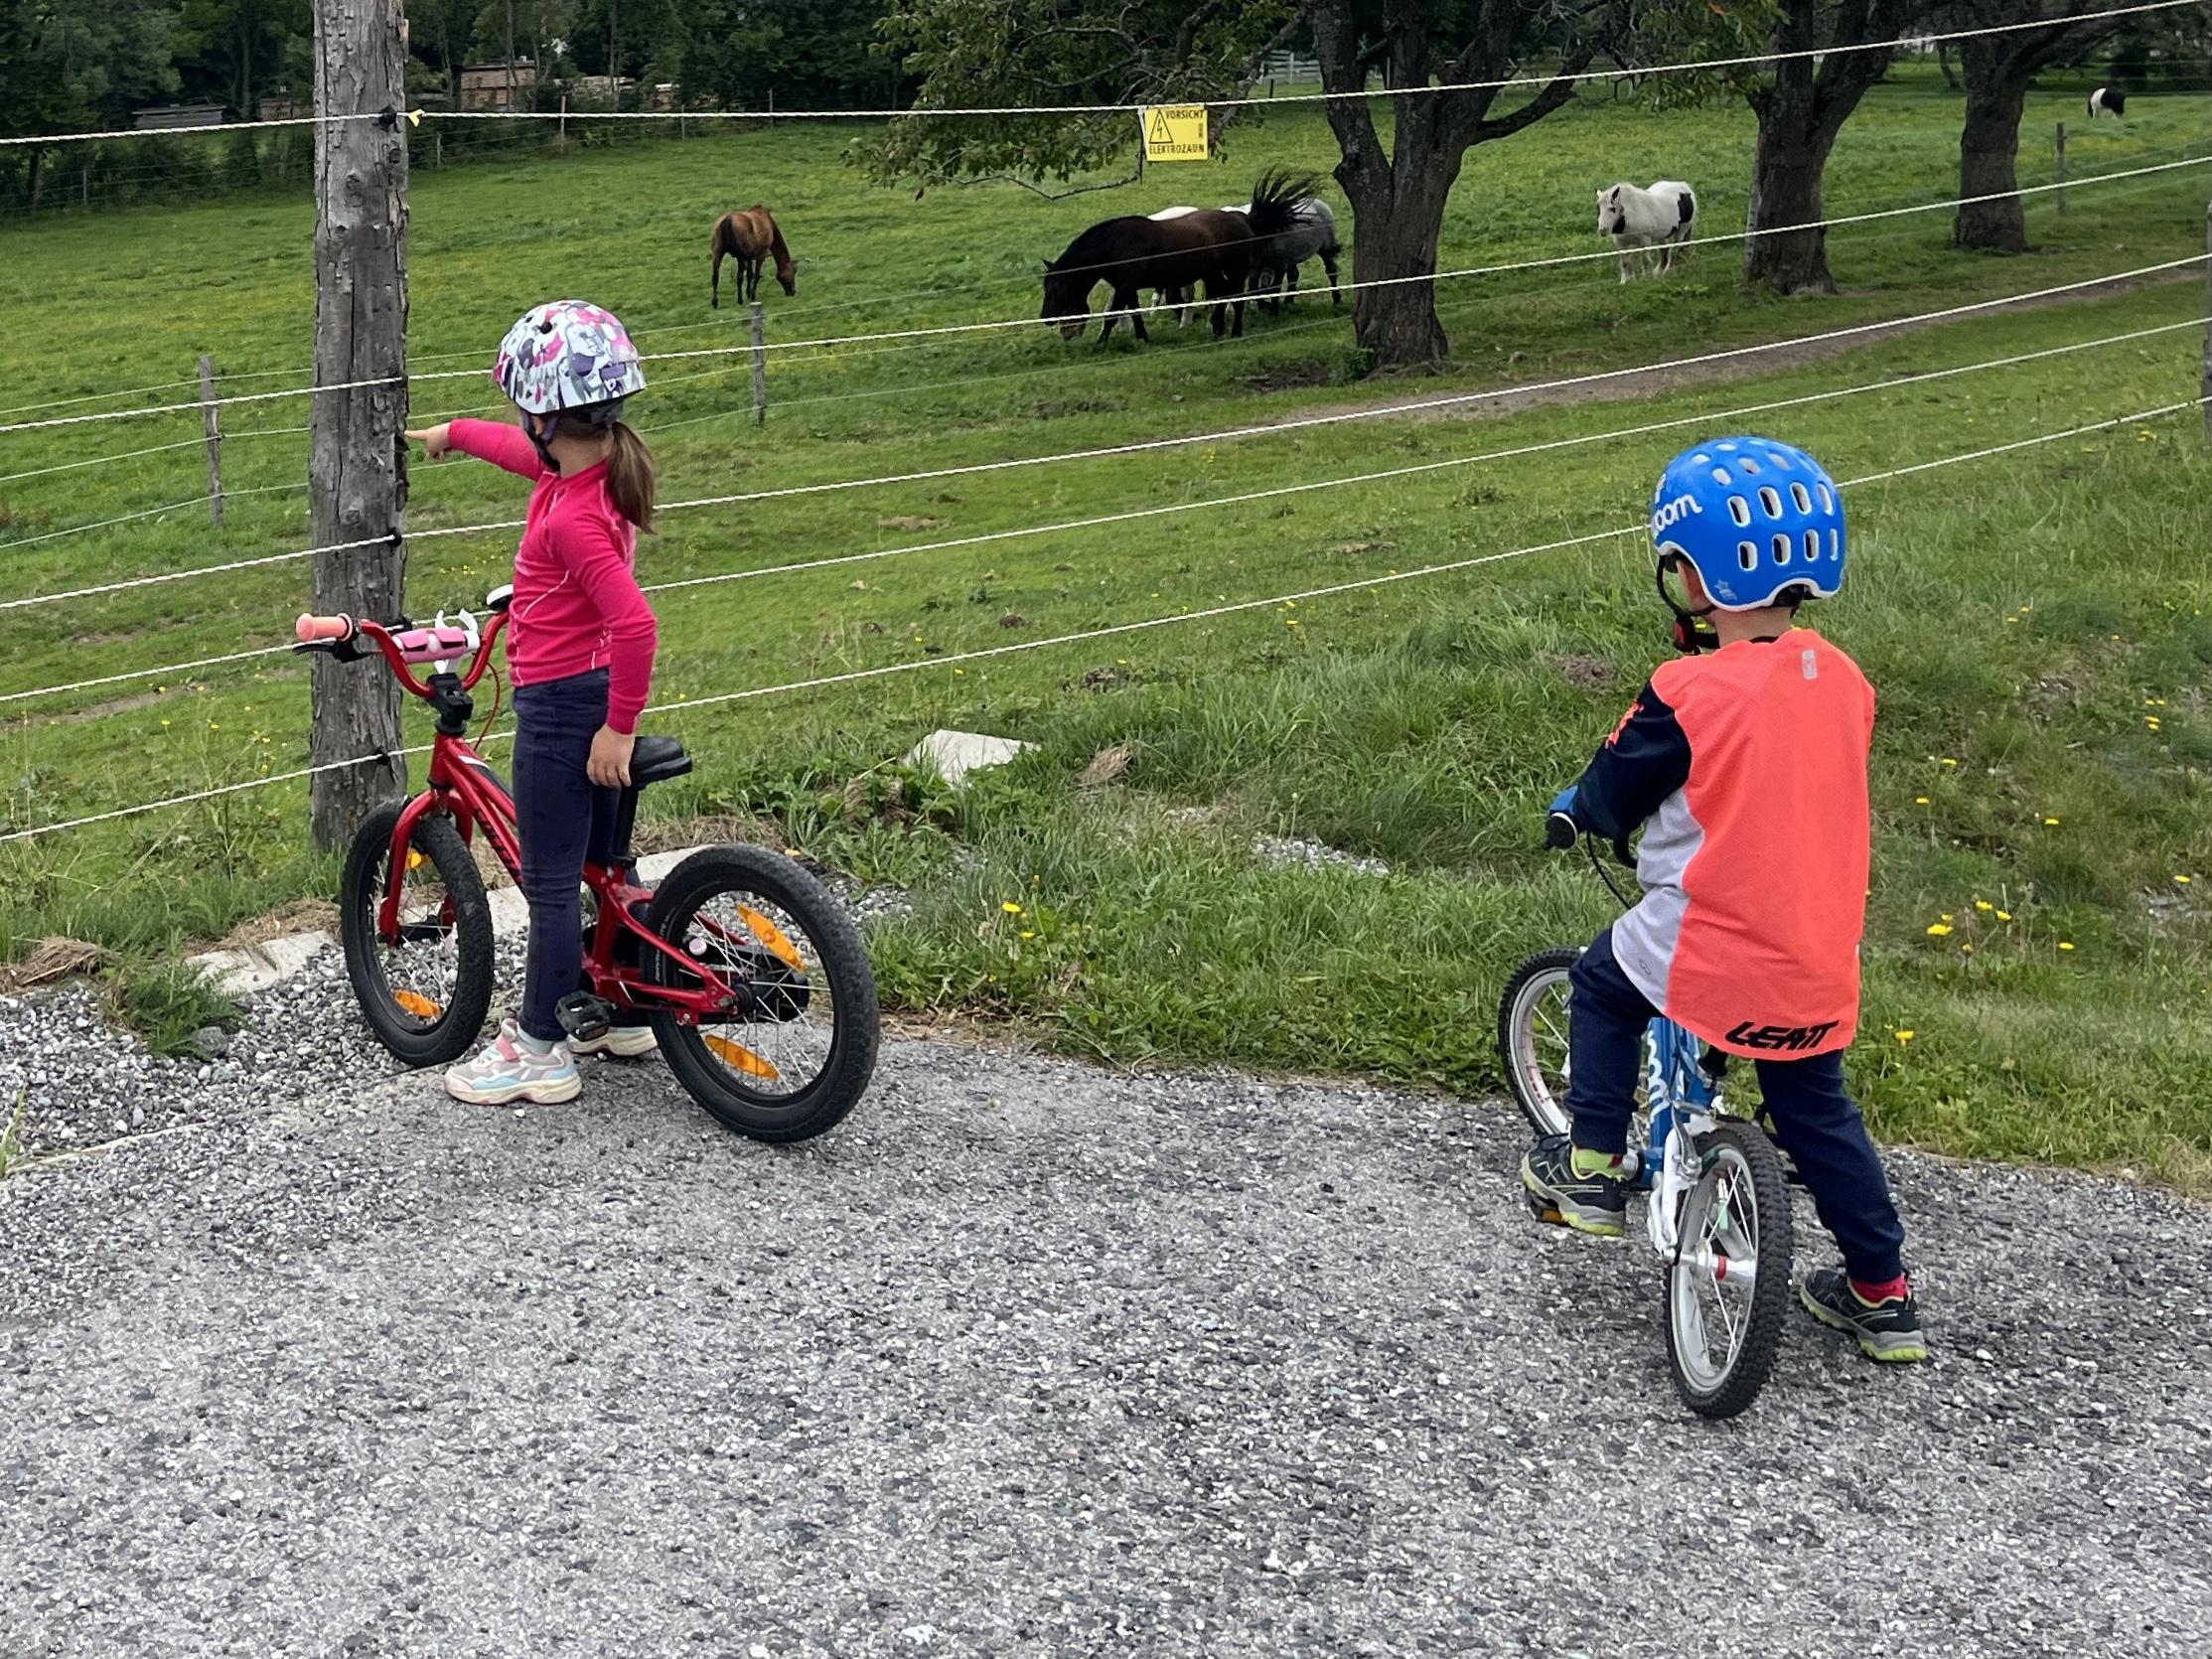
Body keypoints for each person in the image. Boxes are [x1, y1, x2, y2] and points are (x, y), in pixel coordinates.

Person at [1522, 435, 1926, 1363]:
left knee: (1598, 981)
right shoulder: (1847, 683)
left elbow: (1613, 789)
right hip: (1815, 949)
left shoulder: (1684, 690)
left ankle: (1587, 1168)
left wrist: (1574, 813)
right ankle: (1883, 1293)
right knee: (1817, 1113)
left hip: (1709, 935)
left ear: (1694, 578)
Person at [404, 299, 662, 1107]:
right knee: (608, 867)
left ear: (546, 416)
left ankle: (541, 1050)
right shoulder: (594, 471)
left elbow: (636, 623)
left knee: (550, 885)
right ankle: (624, 1006)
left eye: (525, 412)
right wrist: (452, 434)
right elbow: (516, 454)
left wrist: (617, 731)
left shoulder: (575, 519)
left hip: (563, 712)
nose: (522, 426)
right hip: (593, 694)